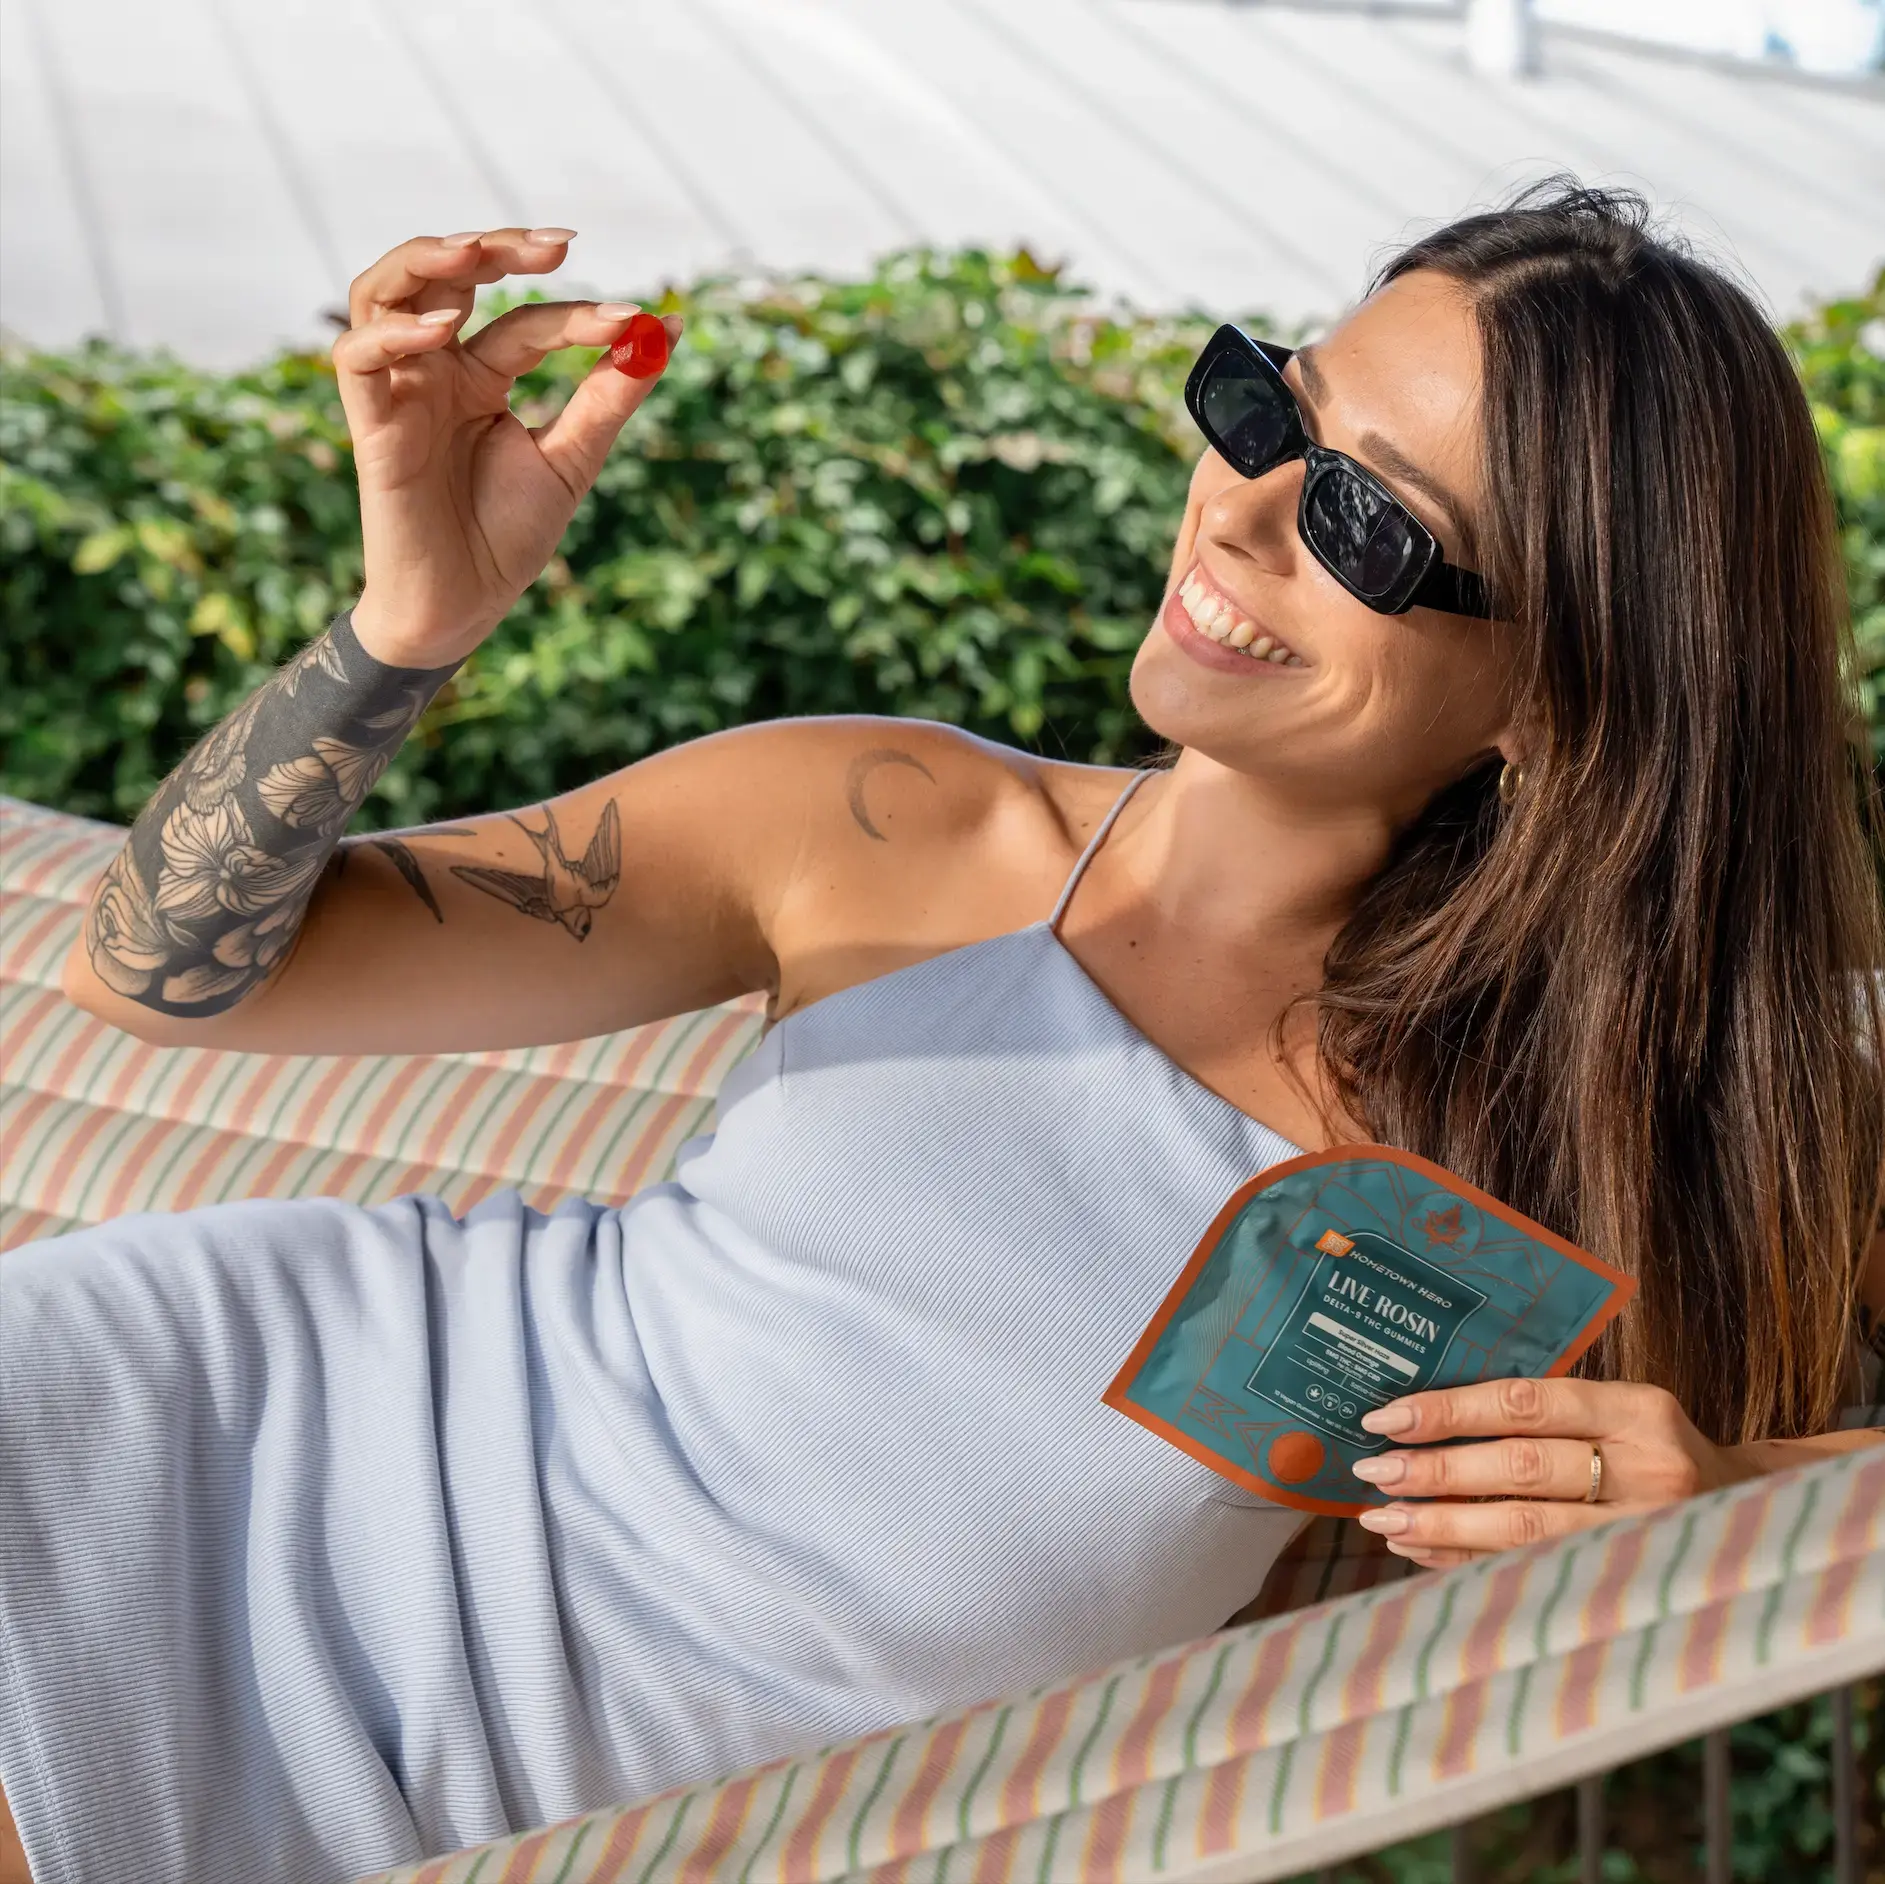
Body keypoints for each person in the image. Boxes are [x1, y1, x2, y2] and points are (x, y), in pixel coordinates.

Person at [2, 184, 1881, 1884]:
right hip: (170, 1458)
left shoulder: (1558, 1150)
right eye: (1264, 412)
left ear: (1564, 691)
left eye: (1368, 520)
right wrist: (406, 624)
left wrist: (1722, 1504)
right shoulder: (892, 825)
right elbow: (156, 976)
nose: (1233, 509)